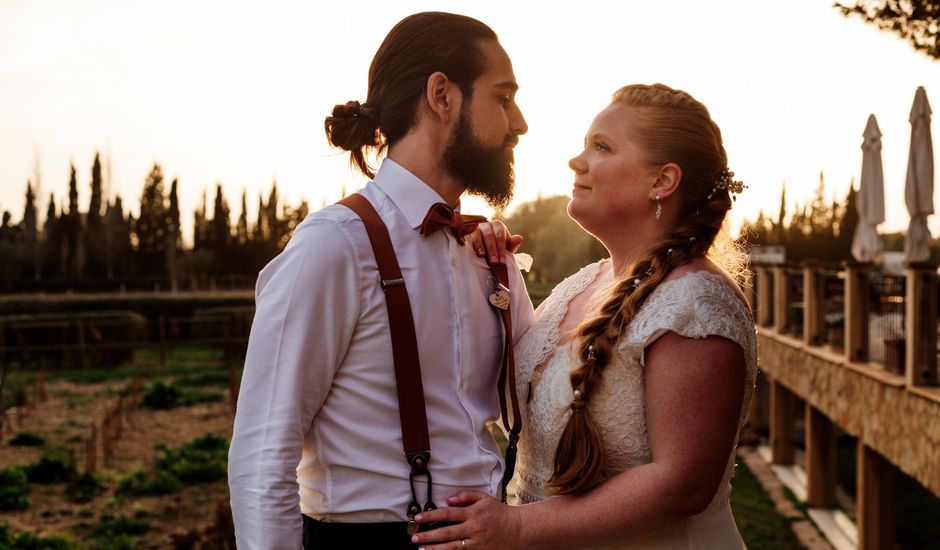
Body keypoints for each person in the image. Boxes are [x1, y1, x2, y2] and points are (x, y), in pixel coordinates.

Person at [227, 12, 534, 550]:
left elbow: (537, 397)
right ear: (442, 95)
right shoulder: (335, 244)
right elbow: (262, 453)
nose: (519, 122)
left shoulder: (489, 254)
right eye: (503, 97)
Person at [411, 83, 757, 549]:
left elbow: (683, 483)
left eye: (602, 147)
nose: (577, 160)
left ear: (663, 181)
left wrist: (517, 526)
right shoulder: (586, 283)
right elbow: (523, 401)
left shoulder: (695, 303)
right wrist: (483, 266)